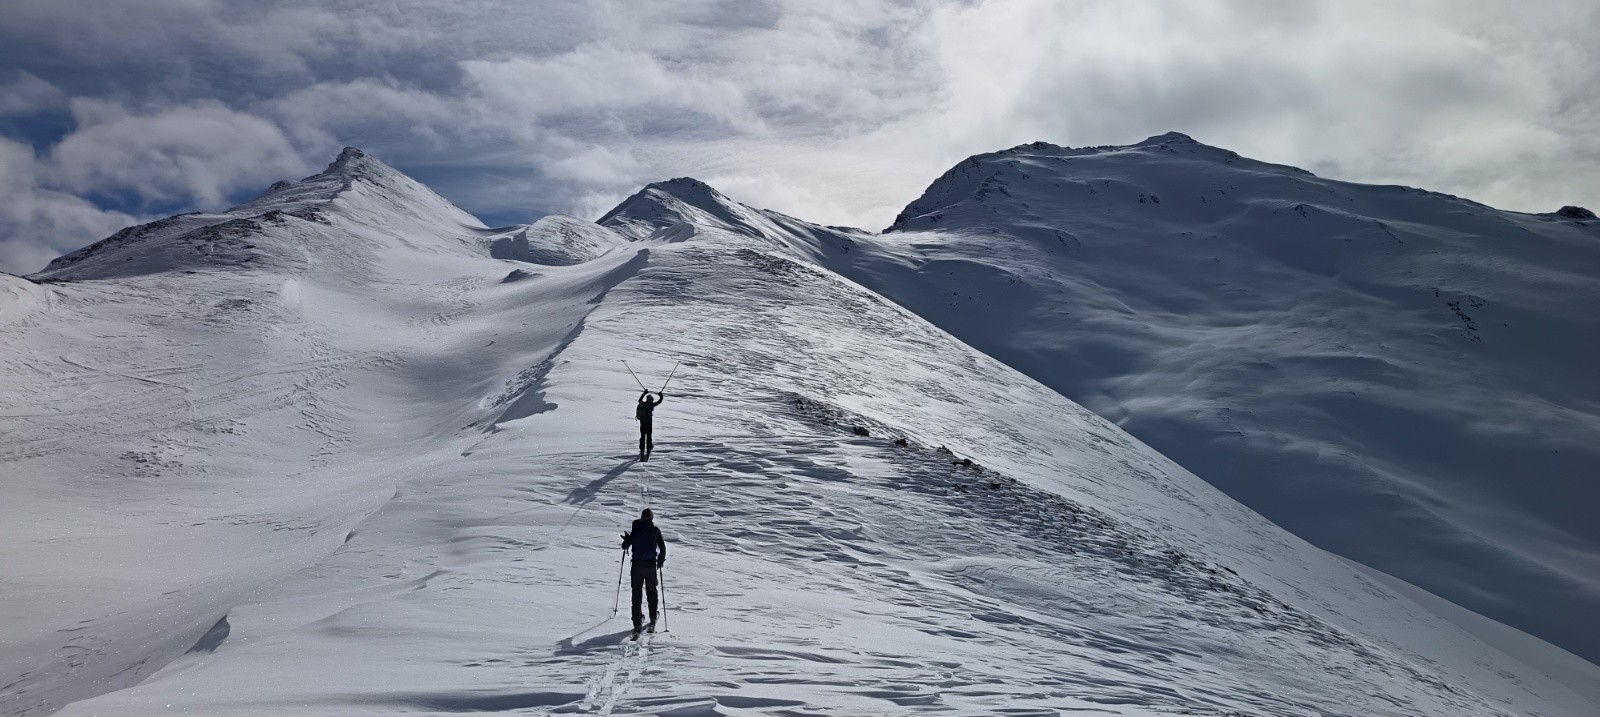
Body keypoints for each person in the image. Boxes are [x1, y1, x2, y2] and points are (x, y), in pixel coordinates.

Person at [620, 508, 667, 634]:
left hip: (636, 567)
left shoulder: (636, 530)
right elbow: (662, 547)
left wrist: (627, 539)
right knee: (651, 591)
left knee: (636, 594)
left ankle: (637, 621)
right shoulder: (655, 530)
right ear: (651, 518)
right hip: (650, 566)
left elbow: (624, 546)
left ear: (641, 517)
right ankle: (652, 616)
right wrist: (660, 561)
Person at [636, 390, 664, 460]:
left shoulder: (642, 404)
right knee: (648, 437)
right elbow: (659, 402)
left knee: (642, 437)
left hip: (642, 424)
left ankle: (642, 451)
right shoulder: (651, 405)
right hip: (649, 424)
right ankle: (648, 450)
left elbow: (639, 400)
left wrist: (644, 393)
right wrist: (661, 395)